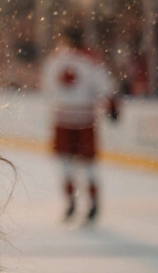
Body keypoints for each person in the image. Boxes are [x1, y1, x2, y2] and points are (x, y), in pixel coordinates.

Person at [41, 25, 117, 222]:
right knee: (88, 163)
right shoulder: (90, 60)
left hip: (63, 117)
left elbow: (47, 89)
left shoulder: (54, 59)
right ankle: (92, 202)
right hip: (84, 119)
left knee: (65, 162)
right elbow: (106, 88)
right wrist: (111, 105)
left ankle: (71, 202)